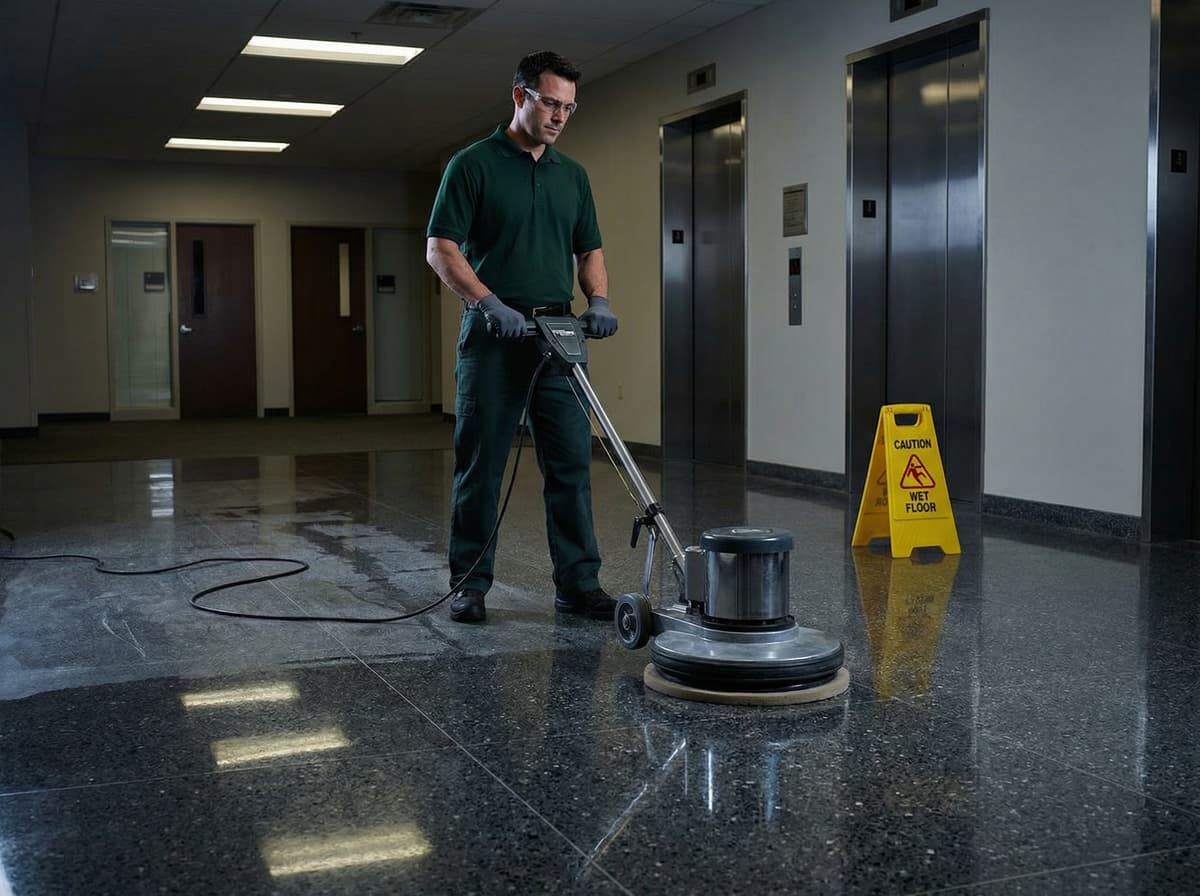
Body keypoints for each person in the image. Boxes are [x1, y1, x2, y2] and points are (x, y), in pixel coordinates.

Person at [426, 51, 619, 624]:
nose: (559, 116)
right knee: (481, 465)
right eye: (550, 103)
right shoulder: (472, 164)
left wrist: (600, 300)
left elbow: (589, 250)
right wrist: (486, 301)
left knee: (570, 463)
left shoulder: (573, 176)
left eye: (568, 107)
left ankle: (579, 585)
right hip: (494, 334)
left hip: (556, 335)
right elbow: (441, 248)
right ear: (520, 97)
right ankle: (469, 585)